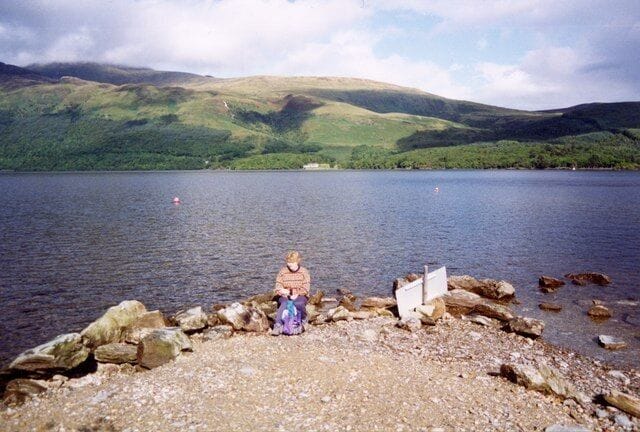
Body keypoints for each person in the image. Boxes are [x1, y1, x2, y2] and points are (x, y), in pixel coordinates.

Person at [271, 251, 310, 336]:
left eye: (291, 263)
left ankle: (304, 319)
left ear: (297, 261)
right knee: (284, 303)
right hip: (285, 295)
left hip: (300, 295)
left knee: (298, 303)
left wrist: (293, 292)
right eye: (288, 263)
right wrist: (282, 292)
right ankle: (277, 325)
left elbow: (305, 289)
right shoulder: (283, 271)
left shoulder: (304, 272)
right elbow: (278, 286)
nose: (289, 265)